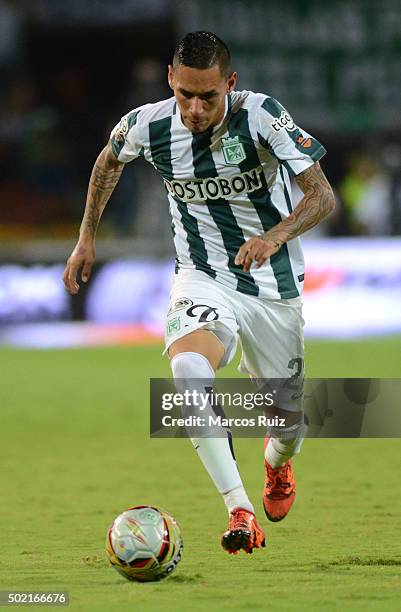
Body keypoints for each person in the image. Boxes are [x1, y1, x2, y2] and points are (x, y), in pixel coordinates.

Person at [63, 31, 335, 555]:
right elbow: (108, 162)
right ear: (171, 78)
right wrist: (86, 235)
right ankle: (239, 508)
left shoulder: (261, 116)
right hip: (202, 275)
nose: (194, 107)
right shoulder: (149, 123)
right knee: (187, 370)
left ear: (229, 85)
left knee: (287, 427)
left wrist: (273, 236)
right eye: (185, 93)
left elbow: (320, 195)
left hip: (272, 287)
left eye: (207, 96)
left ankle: (277, 463)